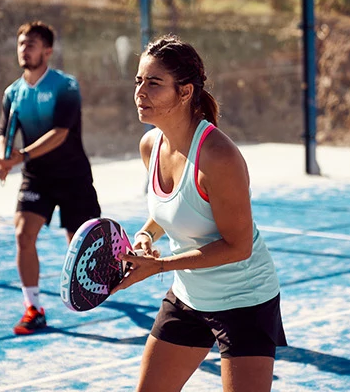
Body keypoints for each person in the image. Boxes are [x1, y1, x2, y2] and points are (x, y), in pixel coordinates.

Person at [113, 35, 284, 391]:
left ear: (186, 92)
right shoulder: (151, 145)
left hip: (244, 301)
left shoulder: (218, 157)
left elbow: (238, 247)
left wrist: (160, 267)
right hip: (188, 297)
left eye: (154, 83)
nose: (140, 92)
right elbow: (171, 210)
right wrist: (146, 235)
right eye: (138, 81)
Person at [0, 21, 101, 335]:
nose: (25, 49)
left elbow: (60, 133)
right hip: (37, 178)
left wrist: (19, 156)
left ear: (48, 50)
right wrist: (2, 156)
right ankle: (34, 309)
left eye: (32, 44)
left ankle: (109, 270)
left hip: (73, 176)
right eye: (22, 43)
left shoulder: (65, 86)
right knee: (23, 236)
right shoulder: (12, 92)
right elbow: (4, 133)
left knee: (80, 246)